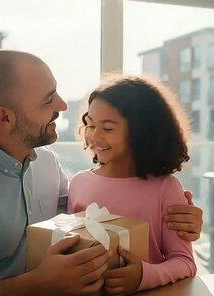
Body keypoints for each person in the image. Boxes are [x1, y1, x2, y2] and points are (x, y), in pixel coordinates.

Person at [0, 50, 203, 296]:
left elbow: (92, 219)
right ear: (4, 117)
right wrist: (31, 287)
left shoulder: (47, 163)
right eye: (48, 100)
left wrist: (179, 217)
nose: (61, 105)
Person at [68, 75, 197, 295]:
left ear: (141, 132)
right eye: (90, 124)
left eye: (108, 128)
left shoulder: (165, 188)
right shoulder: (78, 183)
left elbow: (185, 262)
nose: (95, 136)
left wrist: (142, 277)